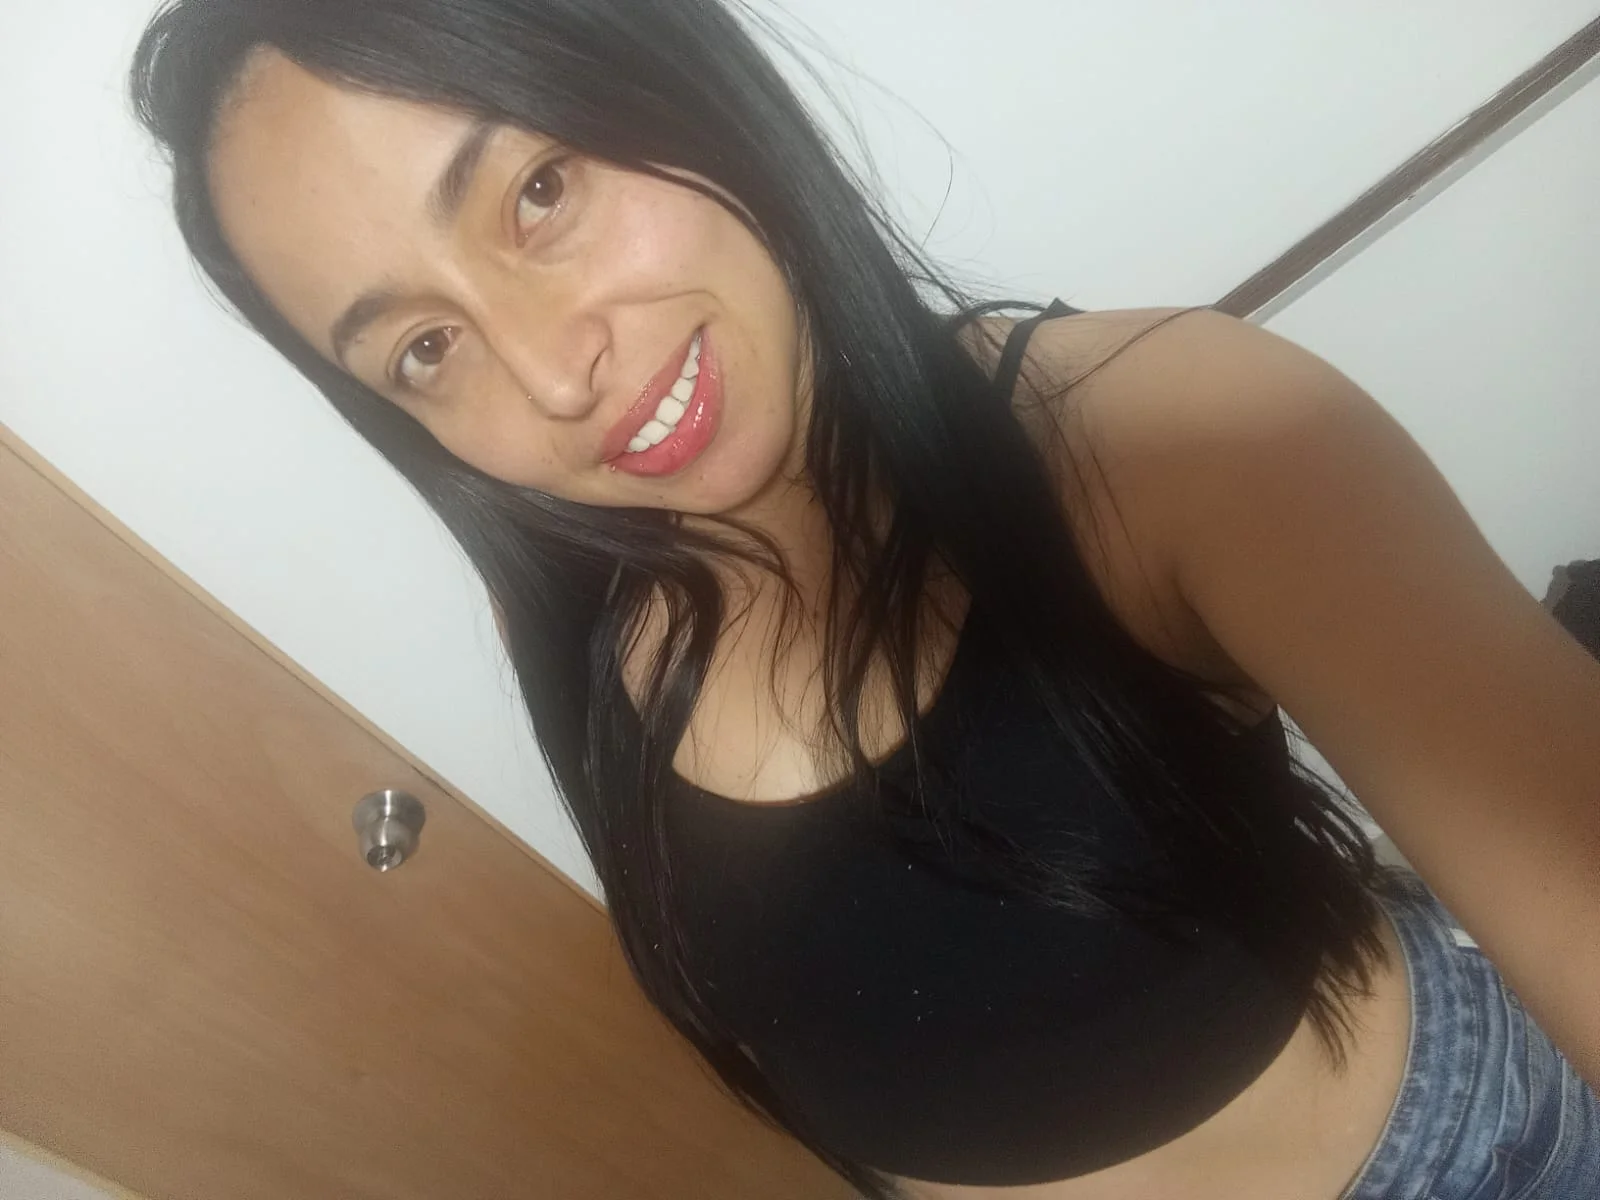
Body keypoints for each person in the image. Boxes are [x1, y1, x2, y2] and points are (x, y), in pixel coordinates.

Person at [129, 1, 1600, 1196]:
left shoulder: (1158, 435)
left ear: (660, 66)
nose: (550, 373)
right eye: (424, 349)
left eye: (539, 190)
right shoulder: (589, 611)